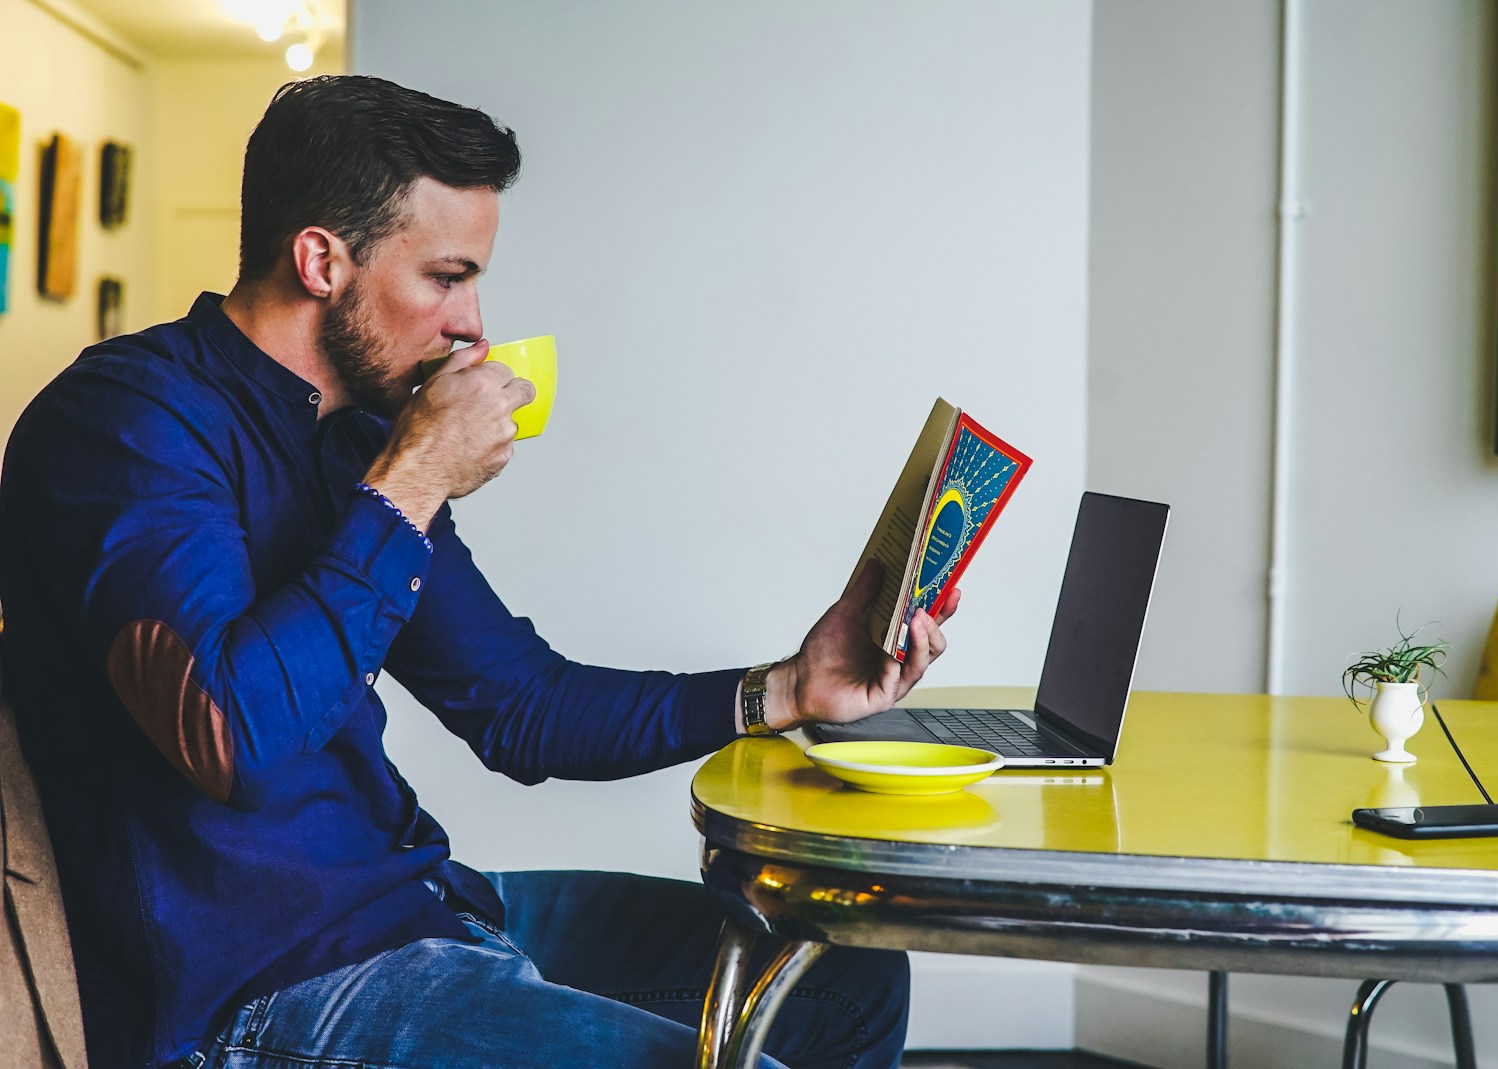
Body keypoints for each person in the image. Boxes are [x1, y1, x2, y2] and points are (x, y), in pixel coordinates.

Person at [0, 75, 957, 1069]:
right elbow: (232, 737)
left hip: (417, 907)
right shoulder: (125, 424)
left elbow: (520, 706)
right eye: (446, 277)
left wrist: (791, 688)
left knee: (842, 975)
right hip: (259, 985)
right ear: (322, 259)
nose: (472, 326)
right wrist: (410, 485)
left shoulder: (357, 442)